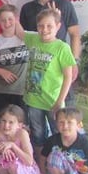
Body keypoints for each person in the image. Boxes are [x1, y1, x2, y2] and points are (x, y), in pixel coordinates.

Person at [15, 9, 76, 155]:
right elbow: (20, 33)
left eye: (49, 26)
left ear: (58, 26)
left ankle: (59, 162)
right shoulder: (33, 39)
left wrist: (59, 101)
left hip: (53, 102)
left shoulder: (62, 48)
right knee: (37, 135)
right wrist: (14, 16)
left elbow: (68, 77)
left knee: (59, 134)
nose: (45, 29)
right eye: (41, 26)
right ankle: (41, 163)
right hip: (33, 100)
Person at [19, 0, 80, 104]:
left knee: (62, 105)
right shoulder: (26, 8)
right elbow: (22, 37)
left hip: (59, 64)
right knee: (36, 104)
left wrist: (74, 61)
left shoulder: (65, 5)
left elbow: (75, 34)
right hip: (36, 66)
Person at [0, 4, 29, 126]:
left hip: (21, 91)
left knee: (20, 124)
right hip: (0, 90)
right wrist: (2, 72)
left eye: (10, 19)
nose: (7, 23)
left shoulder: (27, 38)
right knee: (0, 124)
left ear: (16, 19)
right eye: (3, 20)